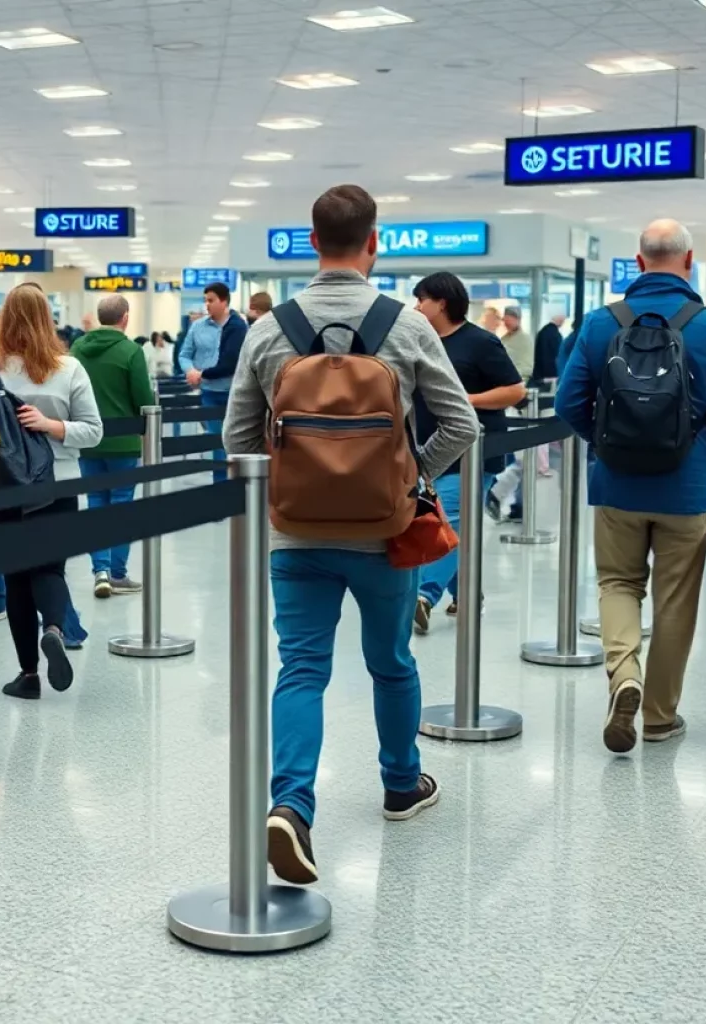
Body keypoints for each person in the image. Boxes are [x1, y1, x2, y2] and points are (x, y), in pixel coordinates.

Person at [223, 184, 479, 884]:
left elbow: (236, 437)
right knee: (391, 661)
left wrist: (285, 474)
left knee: (301, 669)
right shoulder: (408, 326)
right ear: (374, 242)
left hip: (295, 535)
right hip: (384, 533)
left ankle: (292, 806)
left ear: (312, 242)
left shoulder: (270, 328)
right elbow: (463, 424)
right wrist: (410, 476)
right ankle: (402, 785)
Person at [555, 218, 706, 753]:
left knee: (618, 584)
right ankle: (661, 717)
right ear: (688, 262)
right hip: (688, 488)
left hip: (617, 486)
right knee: (675, 602)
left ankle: (625, 676)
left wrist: (605, 446)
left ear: (638, 263)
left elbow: (567, 404)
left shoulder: (601, 323)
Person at [0, 283, 102, 698]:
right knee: (50, 568)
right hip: (60, 483)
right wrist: (52, 426)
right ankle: (53, 626)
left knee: (15, 578)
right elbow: (93, 432)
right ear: (47, 319)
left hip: (5, 489)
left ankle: (28, 675)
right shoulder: (69, 368)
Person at [411, 273, 526, 634]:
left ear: (442, 303)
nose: (416, 307)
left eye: (422, 300)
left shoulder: (481, 343)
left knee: (448, 521)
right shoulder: (420, 341)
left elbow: (514, 390)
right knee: (450, 521)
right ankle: (466, 593)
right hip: (430, 449)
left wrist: (465, 402)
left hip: (473, 449)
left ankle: (424, 596)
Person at [71, 294, 153, 598]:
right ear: (125, 318)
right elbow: (144, 400)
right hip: (123, 443)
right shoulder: (131, 351)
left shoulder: (78, 348)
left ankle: (100, 570)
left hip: (86, 441)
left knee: (95, 503)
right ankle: (117, 573)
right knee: (121, 505)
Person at [180, 282, 248, 482]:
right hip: (209, 392)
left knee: (234, 440)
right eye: (205, 301)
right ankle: (219, 482)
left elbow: (234, 360)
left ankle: (236, 480)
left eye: (211, 300)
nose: (206, 305)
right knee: (216, 438)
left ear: (224, 301)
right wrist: (190, 371)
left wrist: (201, 374)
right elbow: (184, 354)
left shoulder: (237, 327)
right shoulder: (198, 327)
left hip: (234, 392)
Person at [500, 306, 533, 379]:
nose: (506, 323)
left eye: (509, 320)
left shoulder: (525, 339)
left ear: (518, 320)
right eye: (505, 320)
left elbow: (527, 368)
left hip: (517, 381)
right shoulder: (503, 339)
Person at [531, 314, 565, 384]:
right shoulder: (556, 335)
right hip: (551, 377)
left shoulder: (542, 332)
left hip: (539, 375)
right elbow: (558, 357)